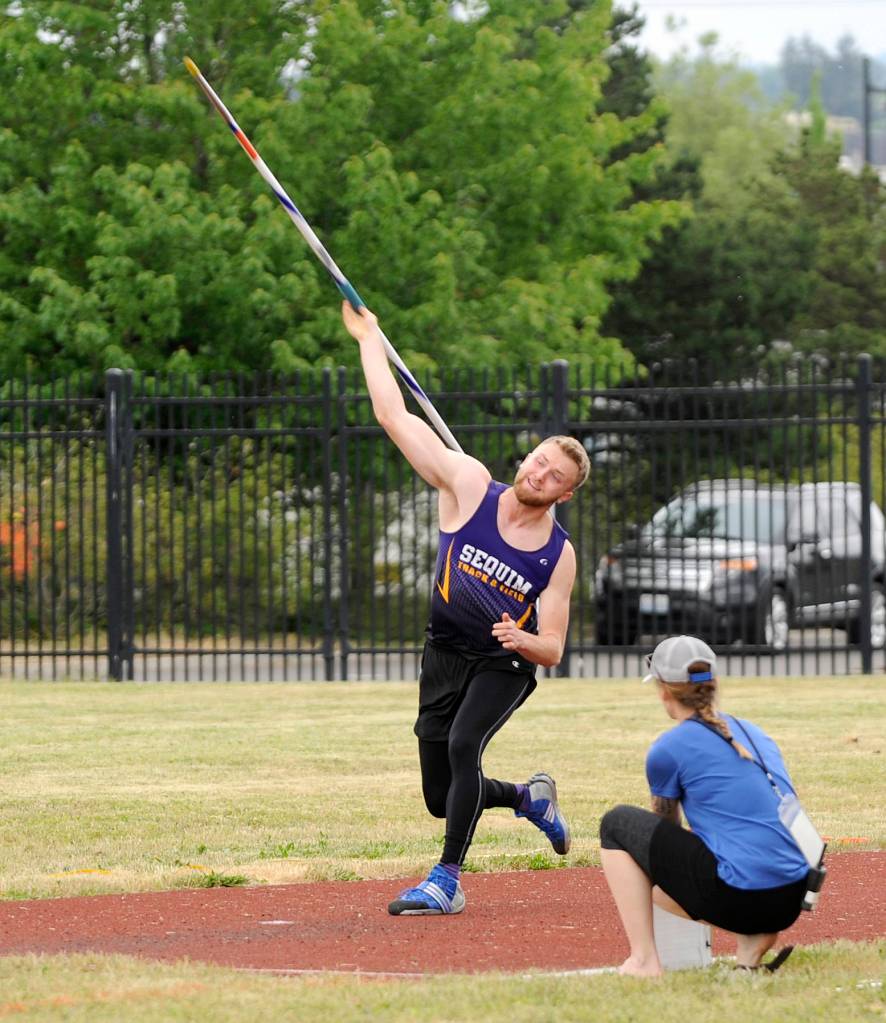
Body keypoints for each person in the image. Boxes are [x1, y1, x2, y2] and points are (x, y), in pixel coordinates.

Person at [341, 301, 589, 916]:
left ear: (565, 494)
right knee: (440, 794)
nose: (539, 474)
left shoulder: (557, 556)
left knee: (463, 745)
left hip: (502, 663)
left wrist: (523, 639)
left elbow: (553, 649)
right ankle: (529, 799)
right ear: (527, 458)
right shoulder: (469, 485)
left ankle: (445, 880)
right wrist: (369, 338)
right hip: (444, 652)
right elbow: (393, 416)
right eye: (538, 460)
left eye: (554, 475)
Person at [599, 634, 811, 977]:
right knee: (736, 851)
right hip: (793, 896)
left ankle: (643, 960)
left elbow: (665, 832)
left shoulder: (667, 749)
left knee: (616, 825)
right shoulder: (754, 732)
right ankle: (752, 942)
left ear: (664, 691)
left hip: (744, 898)